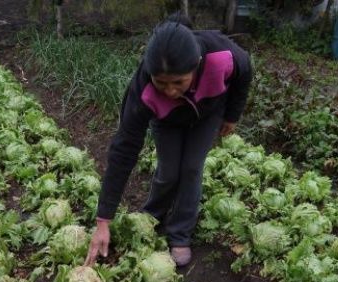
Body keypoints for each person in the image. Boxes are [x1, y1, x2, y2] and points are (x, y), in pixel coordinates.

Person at [84, 14, 252, 267]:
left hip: (208, 112)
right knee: (169, 171)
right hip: (167, 119)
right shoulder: (142, 90)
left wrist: (232, 115)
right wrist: (103, 220)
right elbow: (124, 149)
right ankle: (153, 215)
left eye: (179, 82)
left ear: (195, 65)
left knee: (192, 168)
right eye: (161, 83)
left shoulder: (221, 55)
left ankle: (180, 234)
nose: (171, 91)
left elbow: (245, 70)